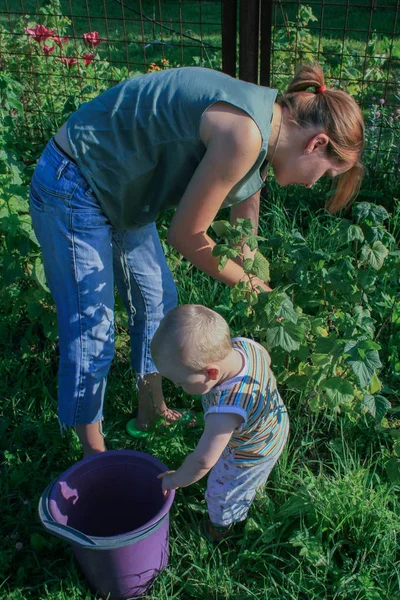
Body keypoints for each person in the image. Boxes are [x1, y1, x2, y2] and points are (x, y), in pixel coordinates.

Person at [29, 62, 364, 456]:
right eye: (324, 174)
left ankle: (150, 413)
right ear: (316, 144)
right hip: (78, 177)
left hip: (126, 188)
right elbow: (186, 236)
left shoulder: (268, 129)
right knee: (93, 332)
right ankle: (92, 457)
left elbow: (244, 242)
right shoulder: (246, 135)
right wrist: (252, 286)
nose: (313, 183)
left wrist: (265, 295)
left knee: (157, 301)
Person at [151, 304, 289, 541]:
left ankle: (220, 529)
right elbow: (265, 358)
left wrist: (176, 479)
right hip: (274, 427)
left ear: (211, 373)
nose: (179, 388)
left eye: (181, 383)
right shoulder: (244, 346)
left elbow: (204, 460)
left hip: (249, 453)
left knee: (222, 492)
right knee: (253, 480)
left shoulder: (225, 413)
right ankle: (256, 490)